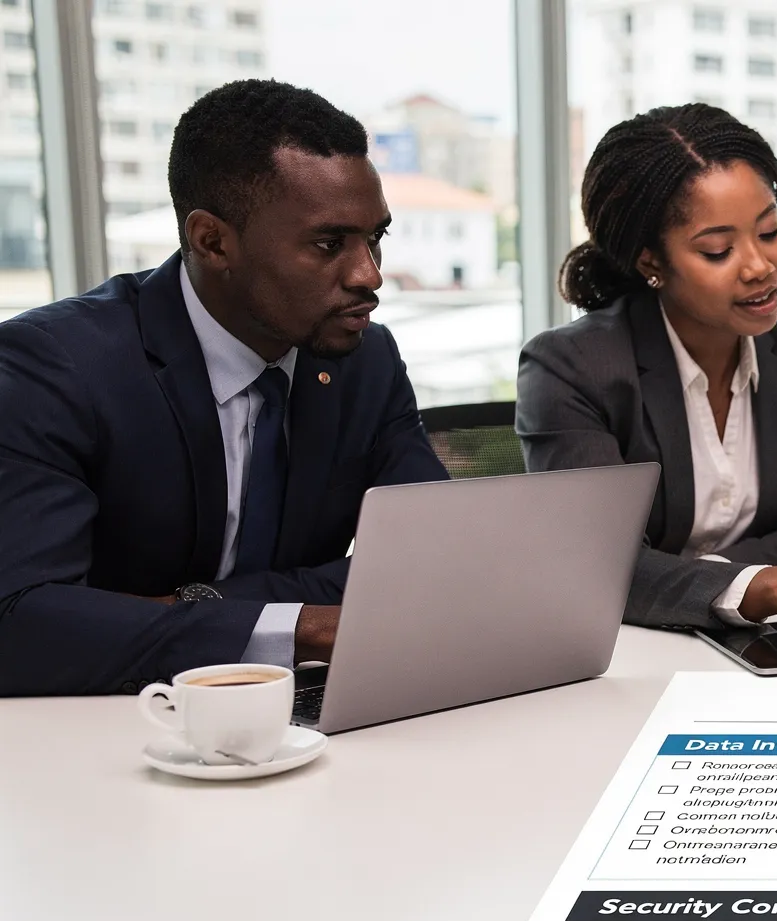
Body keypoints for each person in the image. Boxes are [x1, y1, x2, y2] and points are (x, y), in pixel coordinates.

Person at [0, 80, 447, 698]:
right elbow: (20, 623)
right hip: (116, 726)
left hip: (307, 717)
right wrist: (303, 627)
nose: (369, 274)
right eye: (329, 243)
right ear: (213, 241)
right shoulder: (56, 366)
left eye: (375, 239)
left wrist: (195, 607)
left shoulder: (365, 359)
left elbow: (432, 566)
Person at [517, 105, 777, 664]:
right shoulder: (575, 366)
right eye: (718, 250)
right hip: (624, 659)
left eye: (770, 231)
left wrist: (715, 581)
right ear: (651, 261)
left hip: (761, 650)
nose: (759, 266)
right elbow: (597, 565)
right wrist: (764, 584)